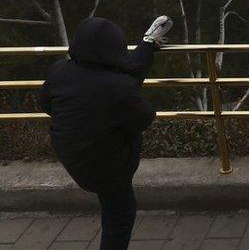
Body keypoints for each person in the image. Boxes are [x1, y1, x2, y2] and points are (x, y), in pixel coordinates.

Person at [39, 15, 174, 250]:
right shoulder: (117, 87)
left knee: (122, 86)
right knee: (120, 216)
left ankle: (148, 41)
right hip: (107, 166)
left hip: (73, 155)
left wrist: (146, 47)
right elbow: (144, 118)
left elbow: (45, 104)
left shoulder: (60, 70)